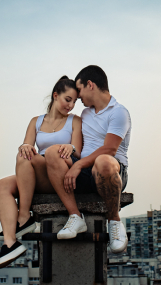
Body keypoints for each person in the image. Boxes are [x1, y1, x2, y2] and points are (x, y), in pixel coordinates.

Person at [0, 76, 83, 269]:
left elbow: (79, 150)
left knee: (26, 156)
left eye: (75, 101)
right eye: (68, 99)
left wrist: (70, 147)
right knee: (3, 184)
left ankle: (24, 216)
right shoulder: (36, 121)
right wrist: (24, 145)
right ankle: (10, 244)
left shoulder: (75, 121)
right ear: (55, 95)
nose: (71, 105)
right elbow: (27, 145)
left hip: (59, 173)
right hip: (37, 175)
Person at [44, 65, 131, 253]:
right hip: (85, 173)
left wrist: (79, 165)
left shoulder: (119, 112)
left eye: (80, 89)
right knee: (52, 152)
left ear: (90, 85)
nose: (78, 97)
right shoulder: (85, 114)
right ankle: (75, 217)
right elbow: (78, 147)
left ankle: (114, 221)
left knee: (103, 161)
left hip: (111, 172)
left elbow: (110, 148)